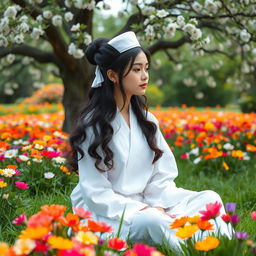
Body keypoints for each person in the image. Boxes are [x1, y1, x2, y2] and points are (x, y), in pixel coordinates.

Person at [69, 31, 230, 252]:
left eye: (146, 68)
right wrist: (145, 210)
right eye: (136, 69)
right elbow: (96, 194)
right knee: (153, 222)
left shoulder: (147, 120)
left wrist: (159, 204)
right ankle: (193, 249)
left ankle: (221, 248)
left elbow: (161, 176)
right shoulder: (93, 124)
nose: (145, 76)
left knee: (210, 199)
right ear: (113, 75)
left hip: (151, 202)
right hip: (110, 212)